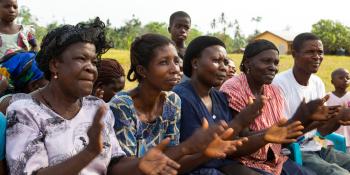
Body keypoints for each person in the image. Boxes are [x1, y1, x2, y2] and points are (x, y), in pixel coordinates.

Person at [5, 18, 181, 175]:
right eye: (81, 59)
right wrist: (88, 153)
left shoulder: (96, 107)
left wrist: (139, 164)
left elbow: (114, 164)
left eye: (94, 62)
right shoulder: (25, 111)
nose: (91, 68)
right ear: (55, 64)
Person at [110, 33, 246, 174]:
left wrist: (205, 154)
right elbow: (120, 168)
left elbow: (173, 164)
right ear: (142, 70)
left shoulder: (172, 101)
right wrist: (187, 146)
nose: (175, 69)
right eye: (164, 62)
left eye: (176, 61)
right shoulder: (122, 105)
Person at [173, 36, 305, 175]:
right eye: (216, 61)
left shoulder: (219, 98)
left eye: (225, 61)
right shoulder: (182, 97)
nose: (224, 67)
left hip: (224, 165)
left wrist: (266, 135)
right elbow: (198, 153)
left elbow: (232, 144)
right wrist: (243, 120)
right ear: (195, 63)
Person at [220, 39, 322, 175]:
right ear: (248, 62)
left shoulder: (274, 91)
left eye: (275, 63)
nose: (273, 67)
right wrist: (270, 134)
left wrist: (309, 119)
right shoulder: (233, 88)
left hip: (275, 161)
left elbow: (281, 137)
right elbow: (239, 139)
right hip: (243, 163)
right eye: (266, 61)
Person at [273, 33, 350, 175]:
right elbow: (283, 136)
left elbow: (322, 131)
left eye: (320, 52)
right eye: (310, 52)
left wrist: (337, 118)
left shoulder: (317, 82)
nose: (317, 56)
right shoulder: (279, 84)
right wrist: (311, 118)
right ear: (294, 54)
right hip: (291, 151)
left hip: (315, 146)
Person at [326, 68, 350, 152]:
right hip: (332, 140)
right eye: (341, 78)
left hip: (348, 139)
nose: (345, 80)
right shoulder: (327, 97)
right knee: (335, 160)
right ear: (332, 82)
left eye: (348, 78)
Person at [168, 11, 191, 81]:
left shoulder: (191, 51)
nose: (183, 30)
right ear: (169, 29)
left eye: (186, 27)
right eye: (178, 26)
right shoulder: (164, 51)